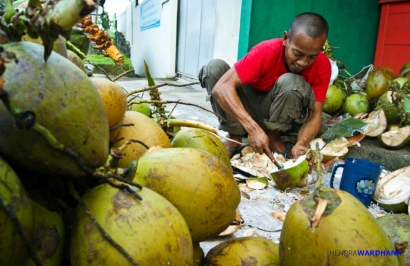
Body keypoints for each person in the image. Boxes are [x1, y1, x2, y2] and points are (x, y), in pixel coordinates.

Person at [198, 12, 331, 163]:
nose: (303, 62)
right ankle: (234, 137)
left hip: (274, 113)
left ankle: (274, 138)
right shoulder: (266, 51)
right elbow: (222, 88)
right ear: (286, 39)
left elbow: (315, 114)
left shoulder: (322, 65)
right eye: (297, 53)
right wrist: (252, 129)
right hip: (245, 107)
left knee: (292, 82)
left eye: (312, 56)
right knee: (214, 69)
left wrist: (302, 143)